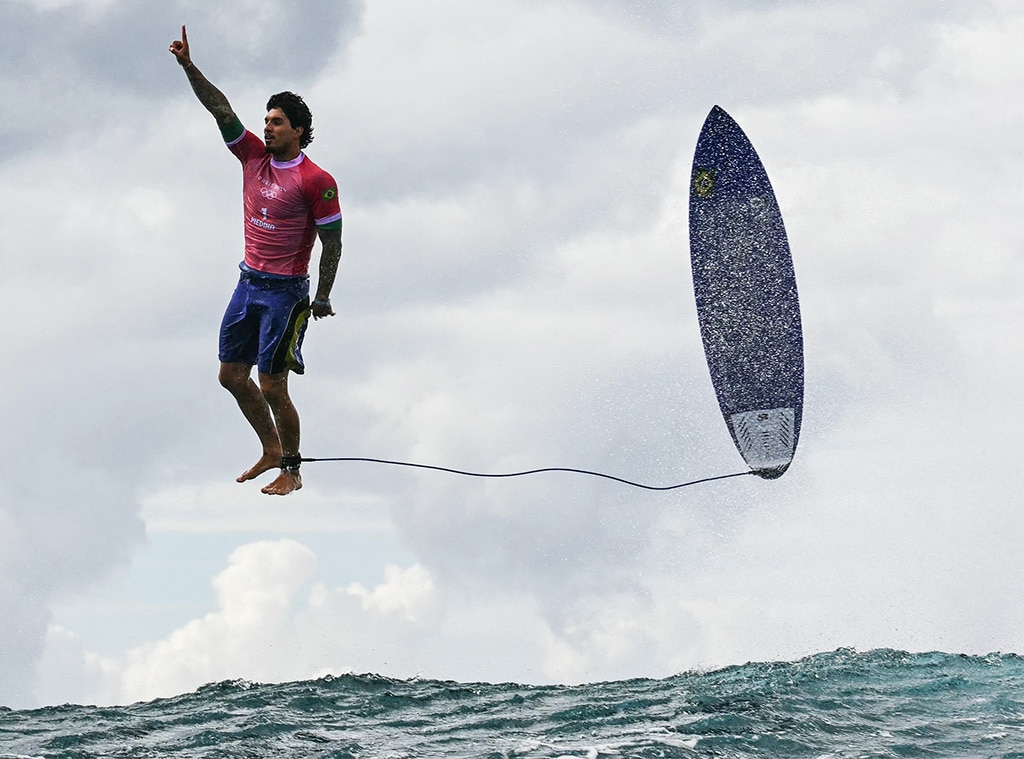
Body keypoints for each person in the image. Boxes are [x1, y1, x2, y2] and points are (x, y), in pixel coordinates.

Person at [169, 25, 343, 496]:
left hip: (286, 294)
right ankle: (269, 448)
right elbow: (220, 108)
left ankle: (292, 468)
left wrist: (323, 295)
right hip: (248, 283)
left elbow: (333, 242)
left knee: (272, 385)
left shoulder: (316, 180)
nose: (267, 127)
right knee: (230, 375)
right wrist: (188, 66)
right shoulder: (251, 156)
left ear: (299, 131)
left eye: (277, 122)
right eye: (266, 120)